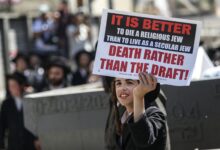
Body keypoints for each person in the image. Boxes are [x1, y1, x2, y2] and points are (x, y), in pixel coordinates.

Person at [109, 72, 167, 150]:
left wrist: (138, 96)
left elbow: (143, 140)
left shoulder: (155, 114)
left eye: (129, 82)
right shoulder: (121, 117)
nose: (122, 88)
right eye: (118, 83)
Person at [0, 73, 41, 150]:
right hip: (14, 144)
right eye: (10, 86)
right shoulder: (6, 104)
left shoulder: (31, 101)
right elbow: (2, 125)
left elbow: (37, 122)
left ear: (21, 85)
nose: (11, 88)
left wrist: (38, 138)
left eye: (14, 85)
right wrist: (1, 144)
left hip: (30, 143)